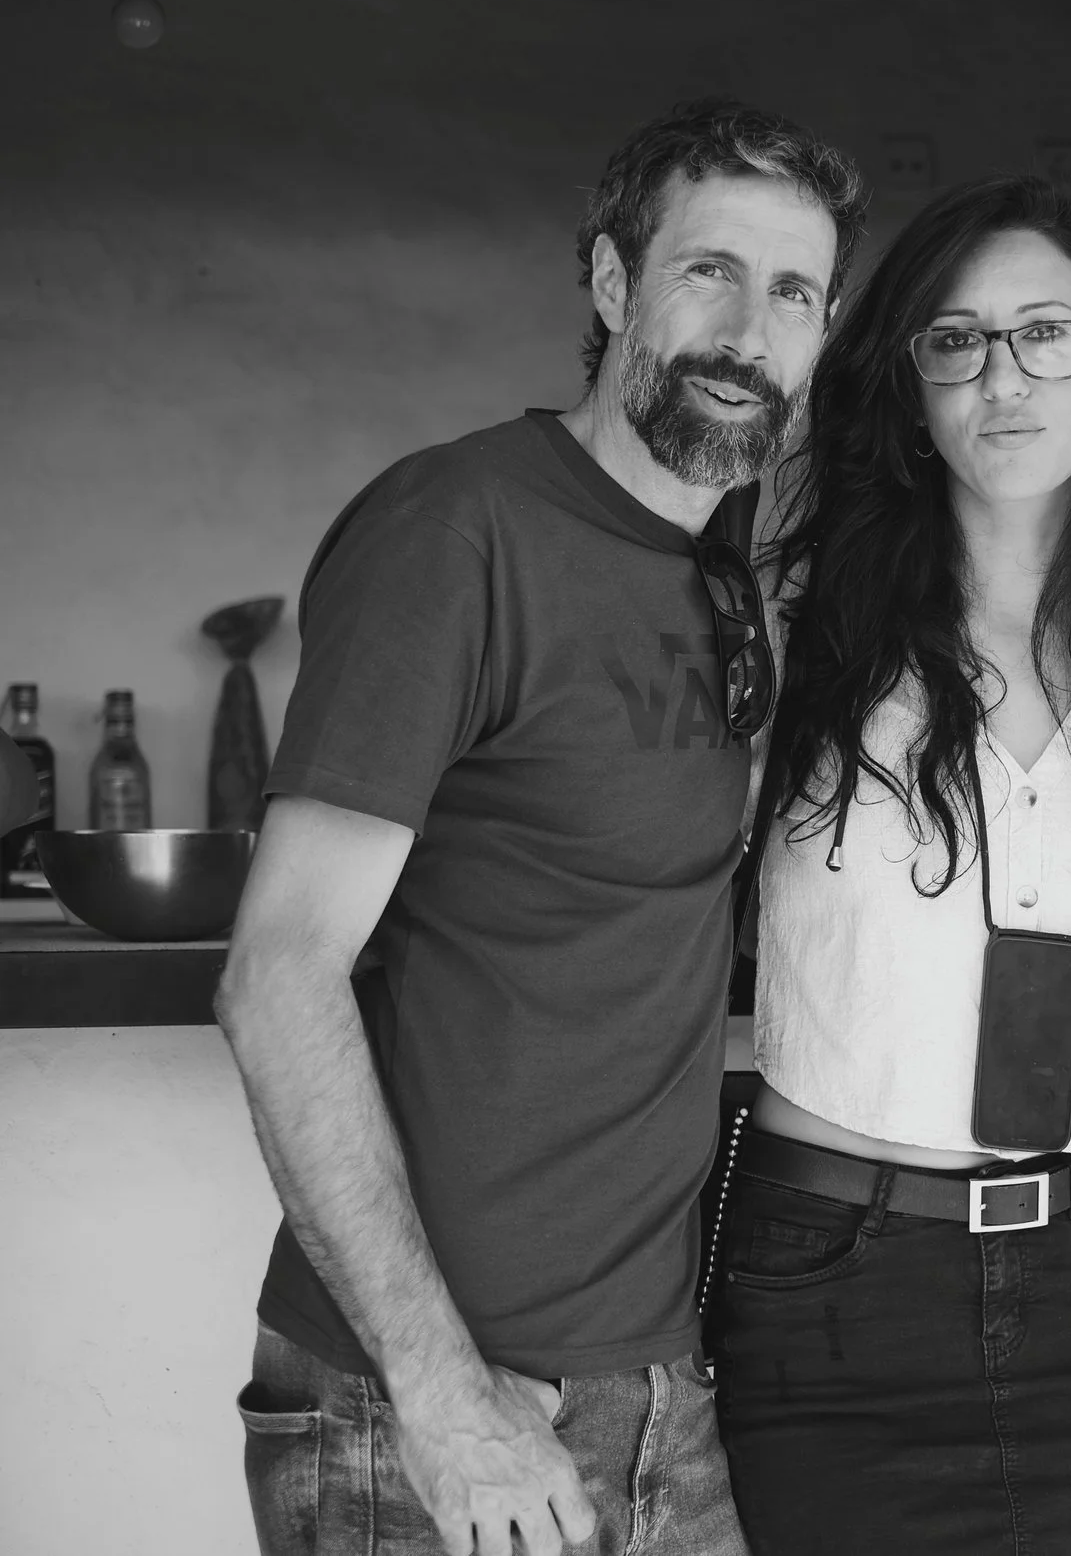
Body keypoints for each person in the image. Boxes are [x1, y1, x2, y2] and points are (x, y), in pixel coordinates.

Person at [216, 98, 865, 1556]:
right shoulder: (460, 530)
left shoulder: (726, 587)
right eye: (710, 270)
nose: (750, 329)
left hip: (657, 1398)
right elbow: (276, 975)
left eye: (796, 292)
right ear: (614, 283)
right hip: (429, 1410)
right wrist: (444, 1395)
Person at [708, 175, 1071, 1556]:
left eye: (1049, 331)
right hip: (833, 1274)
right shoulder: (793, 624)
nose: (1006, 374)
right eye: (958, 340)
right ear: (911, 390)